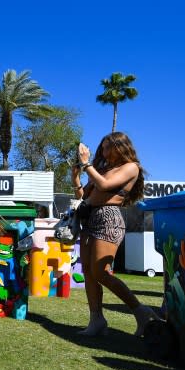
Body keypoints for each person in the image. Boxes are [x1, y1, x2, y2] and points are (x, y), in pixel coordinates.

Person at [71, 132, 160, 337]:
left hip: (108, 218)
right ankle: (97, 320)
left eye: (108, 147)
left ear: (121, 147)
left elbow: (105, 186)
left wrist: (86, 165)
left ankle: (140, 311)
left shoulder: (131, 167)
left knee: (101, 271)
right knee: (89, 273)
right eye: (102, 147)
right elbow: (84, 195)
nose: (104, 151)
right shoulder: (103, 168)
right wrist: (75, 177)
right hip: (89, 218)